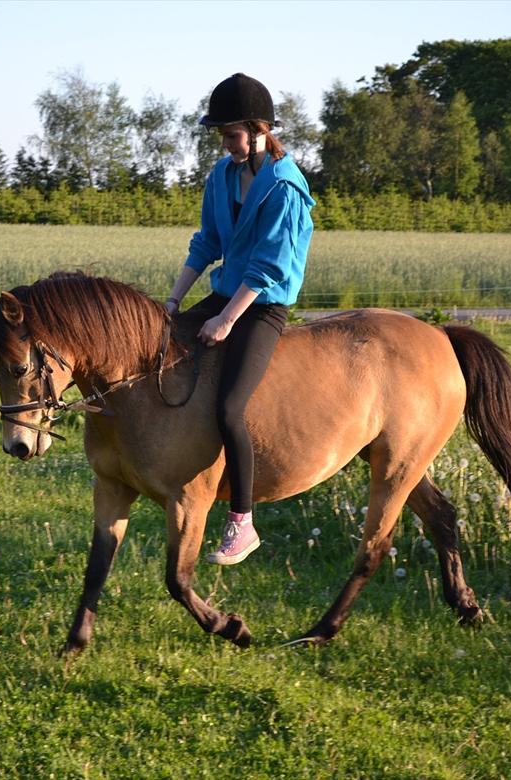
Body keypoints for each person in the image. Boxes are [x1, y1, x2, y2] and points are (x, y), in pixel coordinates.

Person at [165, 73, 315, 566]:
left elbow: (268, 266)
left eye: (232, 134)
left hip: (263, 304)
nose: (225, 143)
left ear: (259, 130)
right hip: (226, 292)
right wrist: (173, 302)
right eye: (222, 134)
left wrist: (227, 320)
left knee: (230, 407)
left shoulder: (286, 186)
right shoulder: (222, 177)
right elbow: (207, 242)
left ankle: (243, 522)